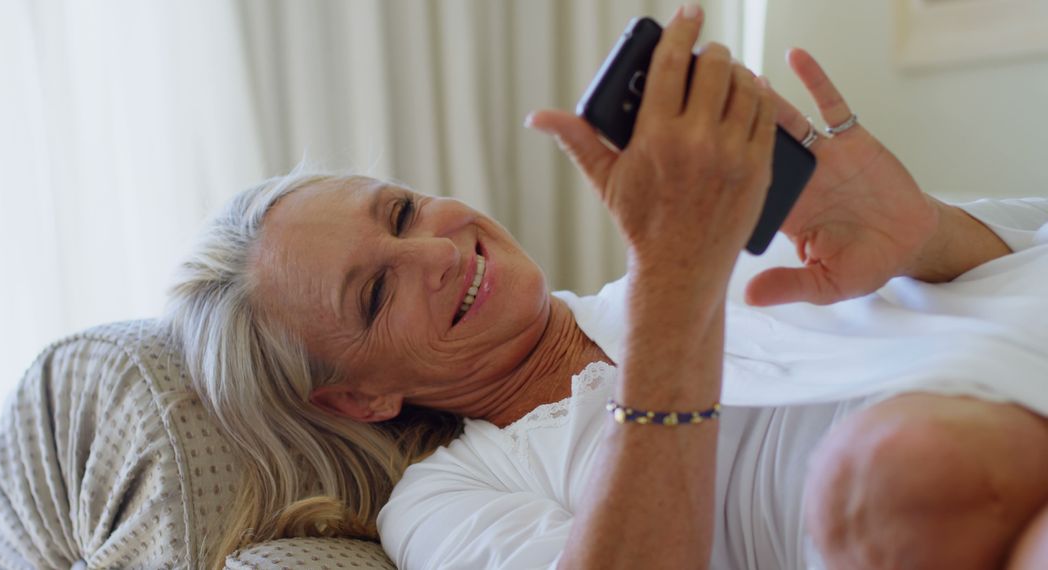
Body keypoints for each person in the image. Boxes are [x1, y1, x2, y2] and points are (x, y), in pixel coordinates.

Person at [167, 5, 1048, 569]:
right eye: (374, 294)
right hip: (949, 504)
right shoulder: (448, 502)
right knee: (903, 476)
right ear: (360, 394)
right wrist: (676, 287)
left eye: (400, 213)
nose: (433, 252)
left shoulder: (725, 260)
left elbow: (1019, 261)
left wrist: (922, 236)